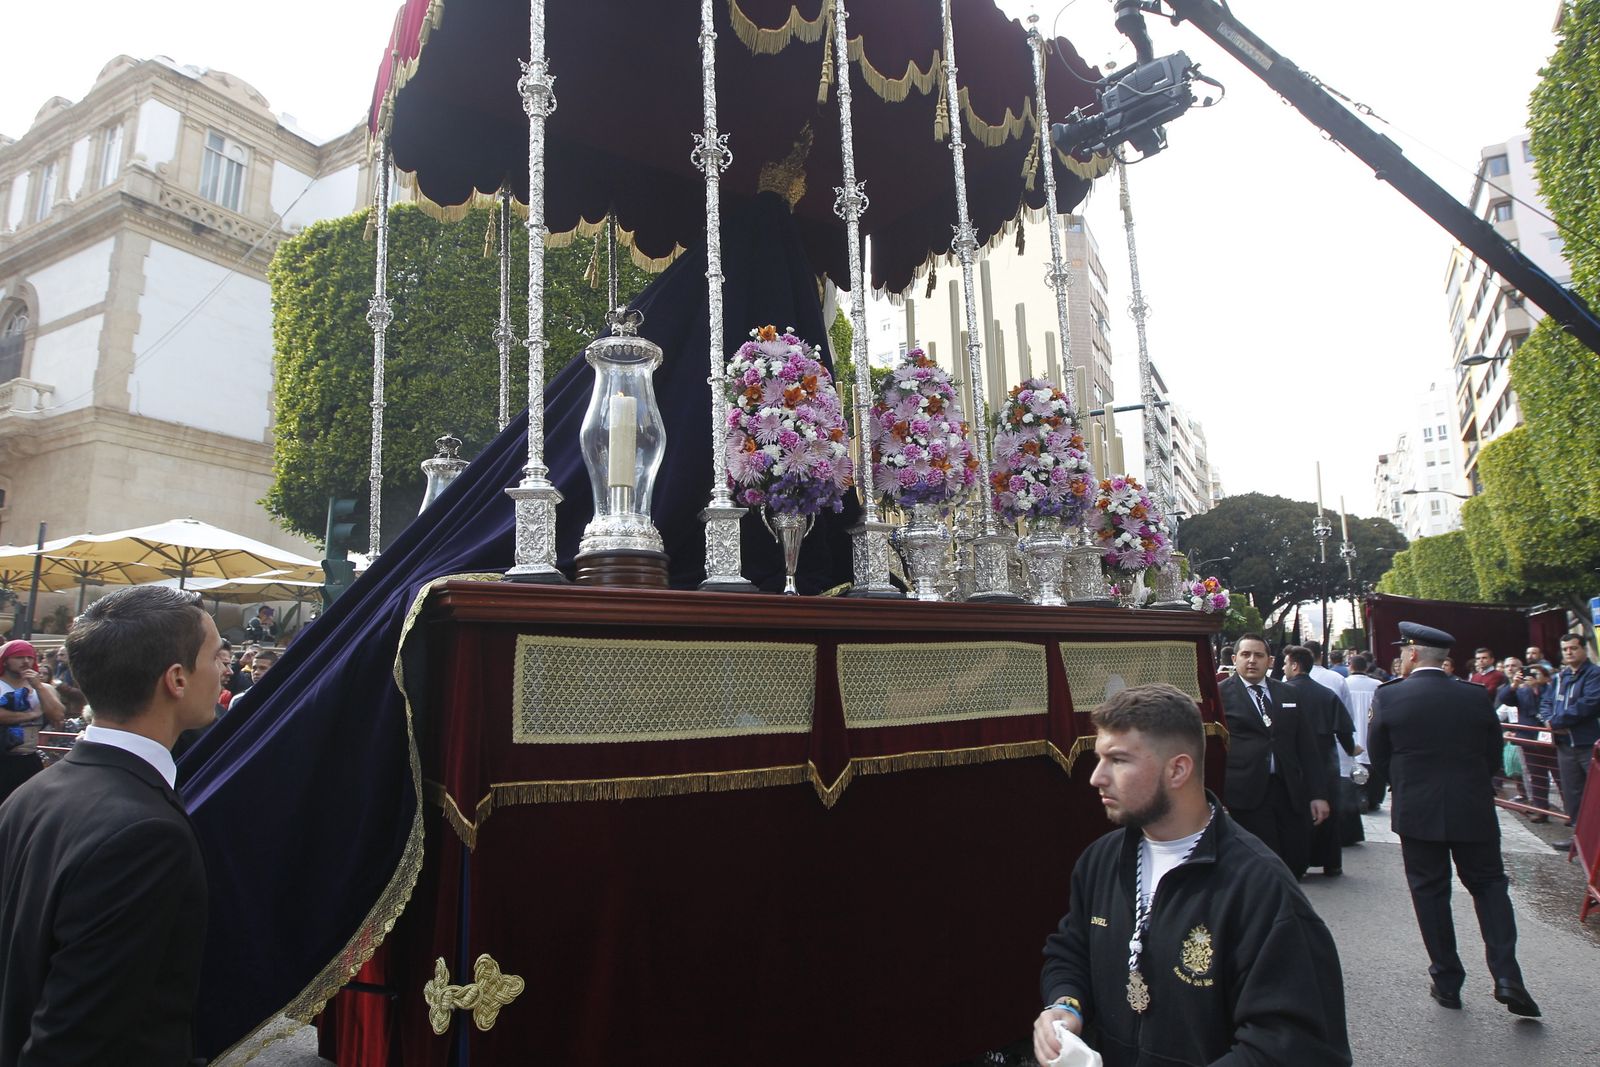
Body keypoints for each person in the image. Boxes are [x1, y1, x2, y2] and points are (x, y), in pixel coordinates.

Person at [1034, 683, 1350, 1067]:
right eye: (1100, 758)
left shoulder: (1260, 887)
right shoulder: (1101, 860)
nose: (1096, 777)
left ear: (1178, 769)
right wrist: (1065, 1004)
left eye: (1117, 760)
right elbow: (1071, 949)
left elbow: (1293, 1044)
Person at [0, 586, 222, 1063]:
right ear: (177, 679)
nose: (224, 668)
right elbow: (79, 1040)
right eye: (215, 655)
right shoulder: (146, 836)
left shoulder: (30, 795)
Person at [1368, 621, 1540, 1018]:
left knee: (1429, 893)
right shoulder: (1474, 695)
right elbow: (1492, 752)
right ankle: (1507, 975)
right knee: (1490, 886)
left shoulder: (1390, 695)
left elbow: (1379, 754)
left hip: (1417, 810)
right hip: (1472, 806)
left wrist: (1405, 785)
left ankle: (1447, 981)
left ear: (1412, 654)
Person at [1218, 634, 1329, 879]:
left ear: (1270, 661)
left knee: (1295, 858)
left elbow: (1307, 747)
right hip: (1245, 793)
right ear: (1235, 659)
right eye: (1246, 655)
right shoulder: (1220, 695)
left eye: (1258, 655)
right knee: (1260, 864)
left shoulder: (1288, 693)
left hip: (1288, 790)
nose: (1252, 660)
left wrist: (1318, 794)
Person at [1282, 645, 1358, 875]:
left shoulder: (1283, 693)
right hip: (1325, 761)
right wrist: (1351, 749)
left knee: (1296, 813)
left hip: (1294, 761)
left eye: (1285, 663)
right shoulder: (1326, 694)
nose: (1283, 668)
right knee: (1328, 812)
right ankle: (1331, 862)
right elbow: (1344, 730)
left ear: (1295, 665)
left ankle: (1299, 862)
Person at [1541, 633, 1599, 853]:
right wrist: (1548, 720)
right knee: (1573, 794)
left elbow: (1588, 704)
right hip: (1564, 744)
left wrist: (1557, 721)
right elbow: (1546, 702)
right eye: (1565, 649)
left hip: (1588, 743)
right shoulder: (1560, 676)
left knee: (1595, 793)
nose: (1569, 652)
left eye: (1573, 648)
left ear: (1584, 649)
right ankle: (1579, 838)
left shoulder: (1595, 674)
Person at [0, 639, 66, 809]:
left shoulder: (43, 688)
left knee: (28, 808)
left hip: (29, 756)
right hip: (3, 757)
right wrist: (30, 715)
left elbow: (58, 715)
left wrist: (39, 687)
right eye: (19, 657)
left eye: (30, 657)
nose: (25, 661)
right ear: (5, 660)